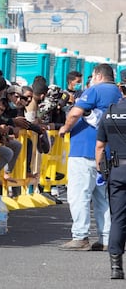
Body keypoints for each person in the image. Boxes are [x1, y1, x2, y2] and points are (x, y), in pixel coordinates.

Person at [58, 63, 122, 251]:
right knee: (101, 198)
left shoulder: (95, 90)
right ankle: (105, 238)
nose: (91, 80)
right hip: (105, 153)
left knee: (79, 195)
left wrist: (65, 128)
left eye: (92, 76)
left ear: (98, 76)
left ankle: (80, 236)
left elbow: (75, 112)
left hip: (84, 150)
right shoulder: (117, 94)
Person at [96, 80, 126, 279]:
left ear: (121, 88)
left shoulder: (110, 112)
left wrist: (103, 170)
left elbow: (100, 147)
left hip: (118, 170)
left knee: (118, 219)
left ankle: (116, 267)